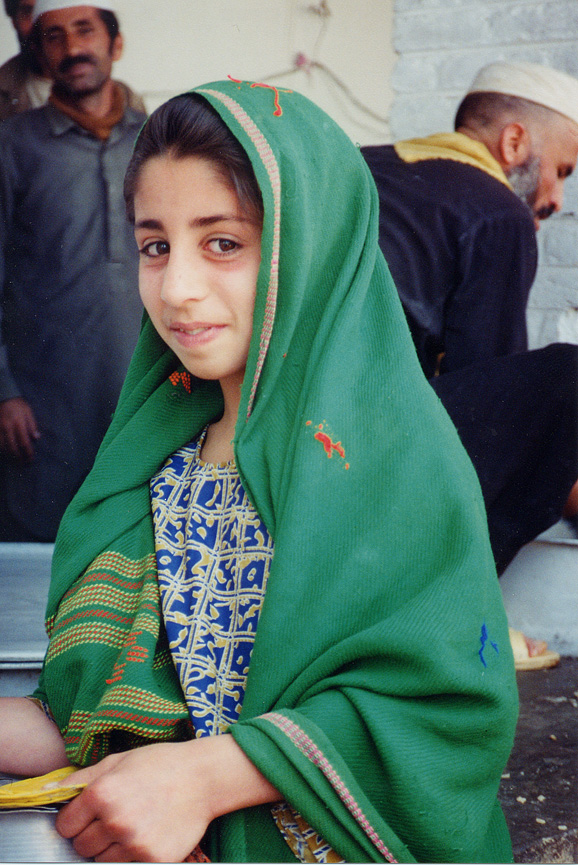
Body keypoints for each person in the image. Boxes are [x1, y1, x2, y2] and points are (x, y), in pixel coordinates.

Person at [0, 79, 518, 863]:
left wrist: (211, 776)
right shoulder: (150, 472)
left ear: (311, 244)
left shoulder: (393, 468)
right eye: (154, 244)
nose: (176, 289)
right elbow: (84, 713)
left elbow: (450, 716)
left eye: (223, 243)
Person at [362, 62, 578, 583]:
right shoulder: (496, 211)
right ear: (514, 143)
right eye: (563, 171)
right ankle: (461, 607)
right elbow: (496, 418)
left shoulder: (362, 165)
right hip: (362, 446)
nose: (556, 200)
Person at [0, 0, 146, 542]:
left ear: (116, 44)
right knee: (41, 556)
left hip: (142, 392)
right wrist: (3, 391)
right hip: (42, 407)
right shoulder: (12, 146)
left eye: (85, 31)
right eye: (54, 37)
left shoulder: (157, 143)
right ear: (40, 53)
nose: (72, 48)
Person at [0, 0, 144, 121]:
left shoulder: (126, 99)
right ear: (13, 21)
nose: (41, 20)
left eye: (51, 5)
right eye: (29, 12)